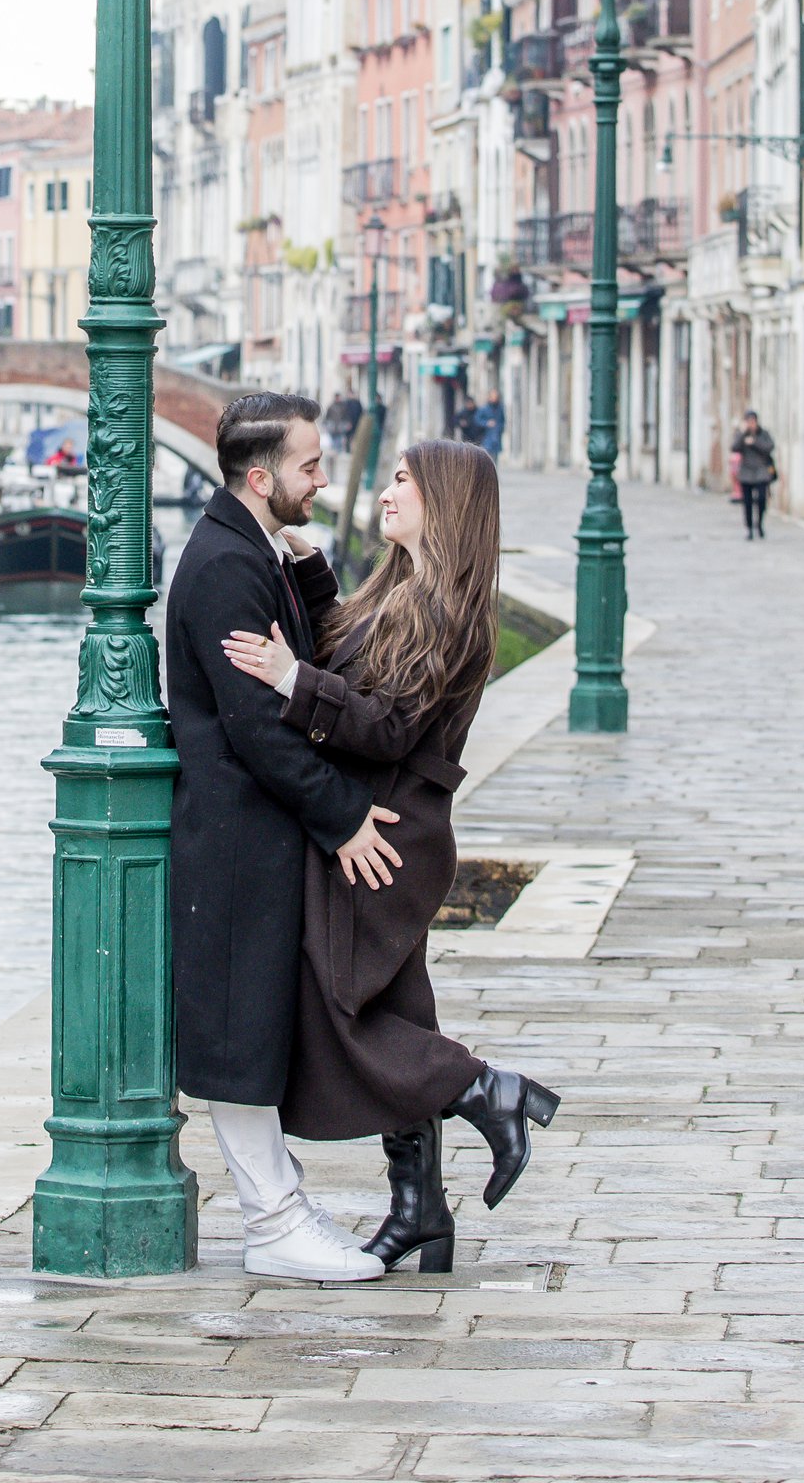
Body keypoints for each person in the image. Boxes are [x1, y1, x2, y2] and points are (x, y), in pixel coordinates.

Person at [221, 439, 562, 1271]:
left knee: (342, 1012)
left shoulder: (446, 611)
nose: (384, 492)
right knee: (400, 1012)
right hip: (392, 828)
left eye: (403, 481)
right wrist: (310, 581)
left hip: (386, 835)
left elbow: (387, 724)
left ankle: (489, 1091)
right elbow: (359, 657)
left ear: (442, 500)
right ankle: (420, 1209)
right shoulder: (405, 588)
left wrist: (288, 677)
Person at [165, 392, 404, 1283]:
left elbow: (307, 659)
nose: (323, 479)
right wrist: (340, 815)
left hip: (256, 831)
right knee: (237, 1026)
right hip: (234, 833)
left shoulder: (253, 549)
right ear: (261, 477)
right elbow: (259, 727)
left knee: (256, 1017)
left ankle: (281, 1206)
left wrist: (304, 574)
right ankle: (271, 1220)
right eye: (310, 466)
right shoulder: (226, 566)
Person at [733, 410, 776, 538]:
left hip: (761, 472)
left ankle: (760, 524)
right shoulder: (742, 435)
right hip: (746, 472)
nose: (751, 424)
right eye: (748, 421)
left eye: (753, 421)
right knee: (747, 502)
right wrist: (743, 434)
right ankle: (749, 528)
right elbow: (734, 447)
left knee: (762, 499)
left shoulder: (763, 434)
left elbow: (769, 447)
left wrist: (754, 442)